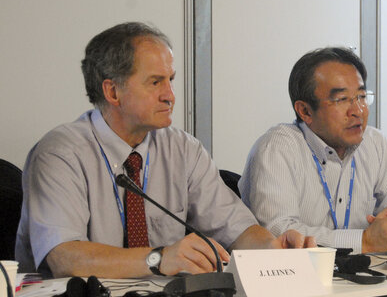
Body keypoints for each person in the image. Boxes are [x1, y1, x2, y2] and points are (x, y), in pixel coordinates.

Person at [16, 22, 313, 279]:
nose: (170, 96)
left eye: (170, 80)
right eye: (155, 82)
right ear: (112, 91)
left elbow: (237, 229)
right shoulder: (60, 153)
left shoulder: (183, 148)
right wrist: (158, 259)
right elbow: (65, 258)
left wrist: (274, 248)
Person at [239, 47, 387, 253]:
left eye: (362, 96)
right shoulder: (277, 149)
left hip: (366, 277)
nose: (357, 111)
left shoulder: (375, 144)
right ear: (305, 111)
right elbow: (279, 233)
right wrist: (363, 241)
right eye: (341, 100)